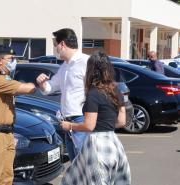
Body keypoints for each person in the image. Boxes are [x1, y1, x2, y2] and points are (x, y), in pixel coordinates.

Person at [60, 52, 131, 185]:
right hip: (114, 143)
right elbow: (121, 121)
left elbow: (89, 126)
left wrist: (69, 125)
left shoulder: (93, 93)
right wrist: (105, 124)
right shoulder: (116, 91)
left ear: (91, 70)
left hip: (97, 146)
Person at [0, 45, 36, 185]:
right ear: (0, 60)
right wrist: (42, 84)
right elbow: (28, 89)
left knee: (6, 178)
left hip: (6, 134)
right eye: (11, 58)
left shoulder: (6, 79)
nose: (14, 62)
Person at [36, 28, 89, 161]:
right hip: (66, 122)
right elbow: (50, 87)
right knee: (74, 164)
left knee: (84, 164)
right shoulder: (64, 67)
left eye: (55, 45)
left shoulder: (86, 62)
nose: (55, 49)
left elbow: (97, 89)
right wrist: (42, 84)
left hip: (80, 121)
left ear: (63, 44)